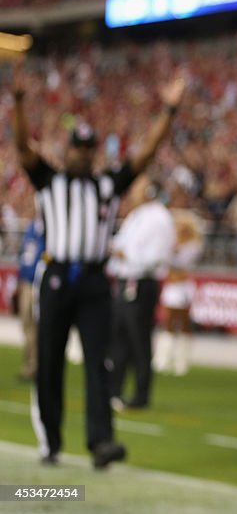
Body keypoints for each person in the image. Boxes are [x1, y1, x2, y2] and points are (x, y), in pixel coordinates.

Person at [10, 62, 185, 469]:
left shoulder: (106, 185)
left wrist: (169, 112)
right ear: (68, 149)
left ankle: (101, 441)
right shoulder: (49, 181)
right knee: (50, 361)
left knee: (99, 363)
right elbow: (22, 149)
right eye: (78, 148)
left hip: (92, 281)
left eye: (89, 150)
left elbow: (144, 155)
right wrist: (18, 105)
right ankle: (50, 440)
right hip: (55, 276)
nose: (84, 156)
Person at [107, 174, 175, 410]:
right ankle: (113, 390)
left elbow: (156, 258)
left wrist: (125, 256)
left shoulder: (160, 218)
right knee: (119, 338)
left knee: (139, 340)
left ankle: (140, 394)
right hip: (126, 280)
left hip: (142, 282)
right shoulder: (136, 215)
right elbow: (118, 245)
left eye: (139, 186)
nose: (133, 190)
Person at [154, 208, 203, 376]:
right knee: (167, 321)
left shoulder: (193, 246)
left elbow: (181, 264)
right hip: (172, 286)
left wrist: (173, 251)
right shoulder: (172, 243)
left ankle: (181, 362)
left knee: (182, 323)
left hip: (183, 287)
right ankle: (163, 359)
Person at [15, 217, 45, 382]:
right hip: (26, 281)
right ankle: (29, 365)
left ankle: (35, 367)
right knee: (27, 325)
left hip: (37, 282)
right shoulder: (31, 228)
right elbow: (24, 255)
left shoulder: (45, 227)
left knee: (36, 326)